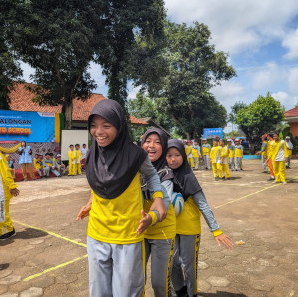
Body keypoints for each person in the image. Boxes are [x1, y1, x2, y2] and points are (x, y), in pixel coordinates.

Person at [76, 99, 166, 297]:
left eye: (106, 126)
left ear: (119, 126)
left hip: (128, 233)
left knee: (126, 292)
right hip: (97, 232)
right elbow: (99, 183)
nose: (98, 131)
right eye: (93, 126)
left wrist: (158, 198)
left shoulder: (135, 155)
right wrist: (91, 202)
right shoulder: (92, 153)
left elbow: (151, 175)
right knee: (98, 292)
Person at [166, 140, 233, 297]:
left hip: (189, 229)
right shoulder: (163, 176)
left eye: (177, 155)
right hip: (170, 228)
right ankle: (179, 288)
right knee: (173, 263)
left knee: (188, 265)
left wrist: (216, 230)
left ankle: (191, 293)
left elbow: (203, 205)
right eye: (169, 155)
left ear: (183, 156)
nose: (173, 159)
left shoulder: (189, 177)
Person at [141, 128, 176, 297]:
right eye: (148, 141)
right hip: (140, 232)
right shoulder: (135, 170)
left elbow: (165, 203)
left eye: (157, 142)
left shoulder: (165, 173)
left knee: (159, 284)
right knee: (137, 279)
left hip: (162, 233)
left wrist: (151, 217)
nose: (151, 145)